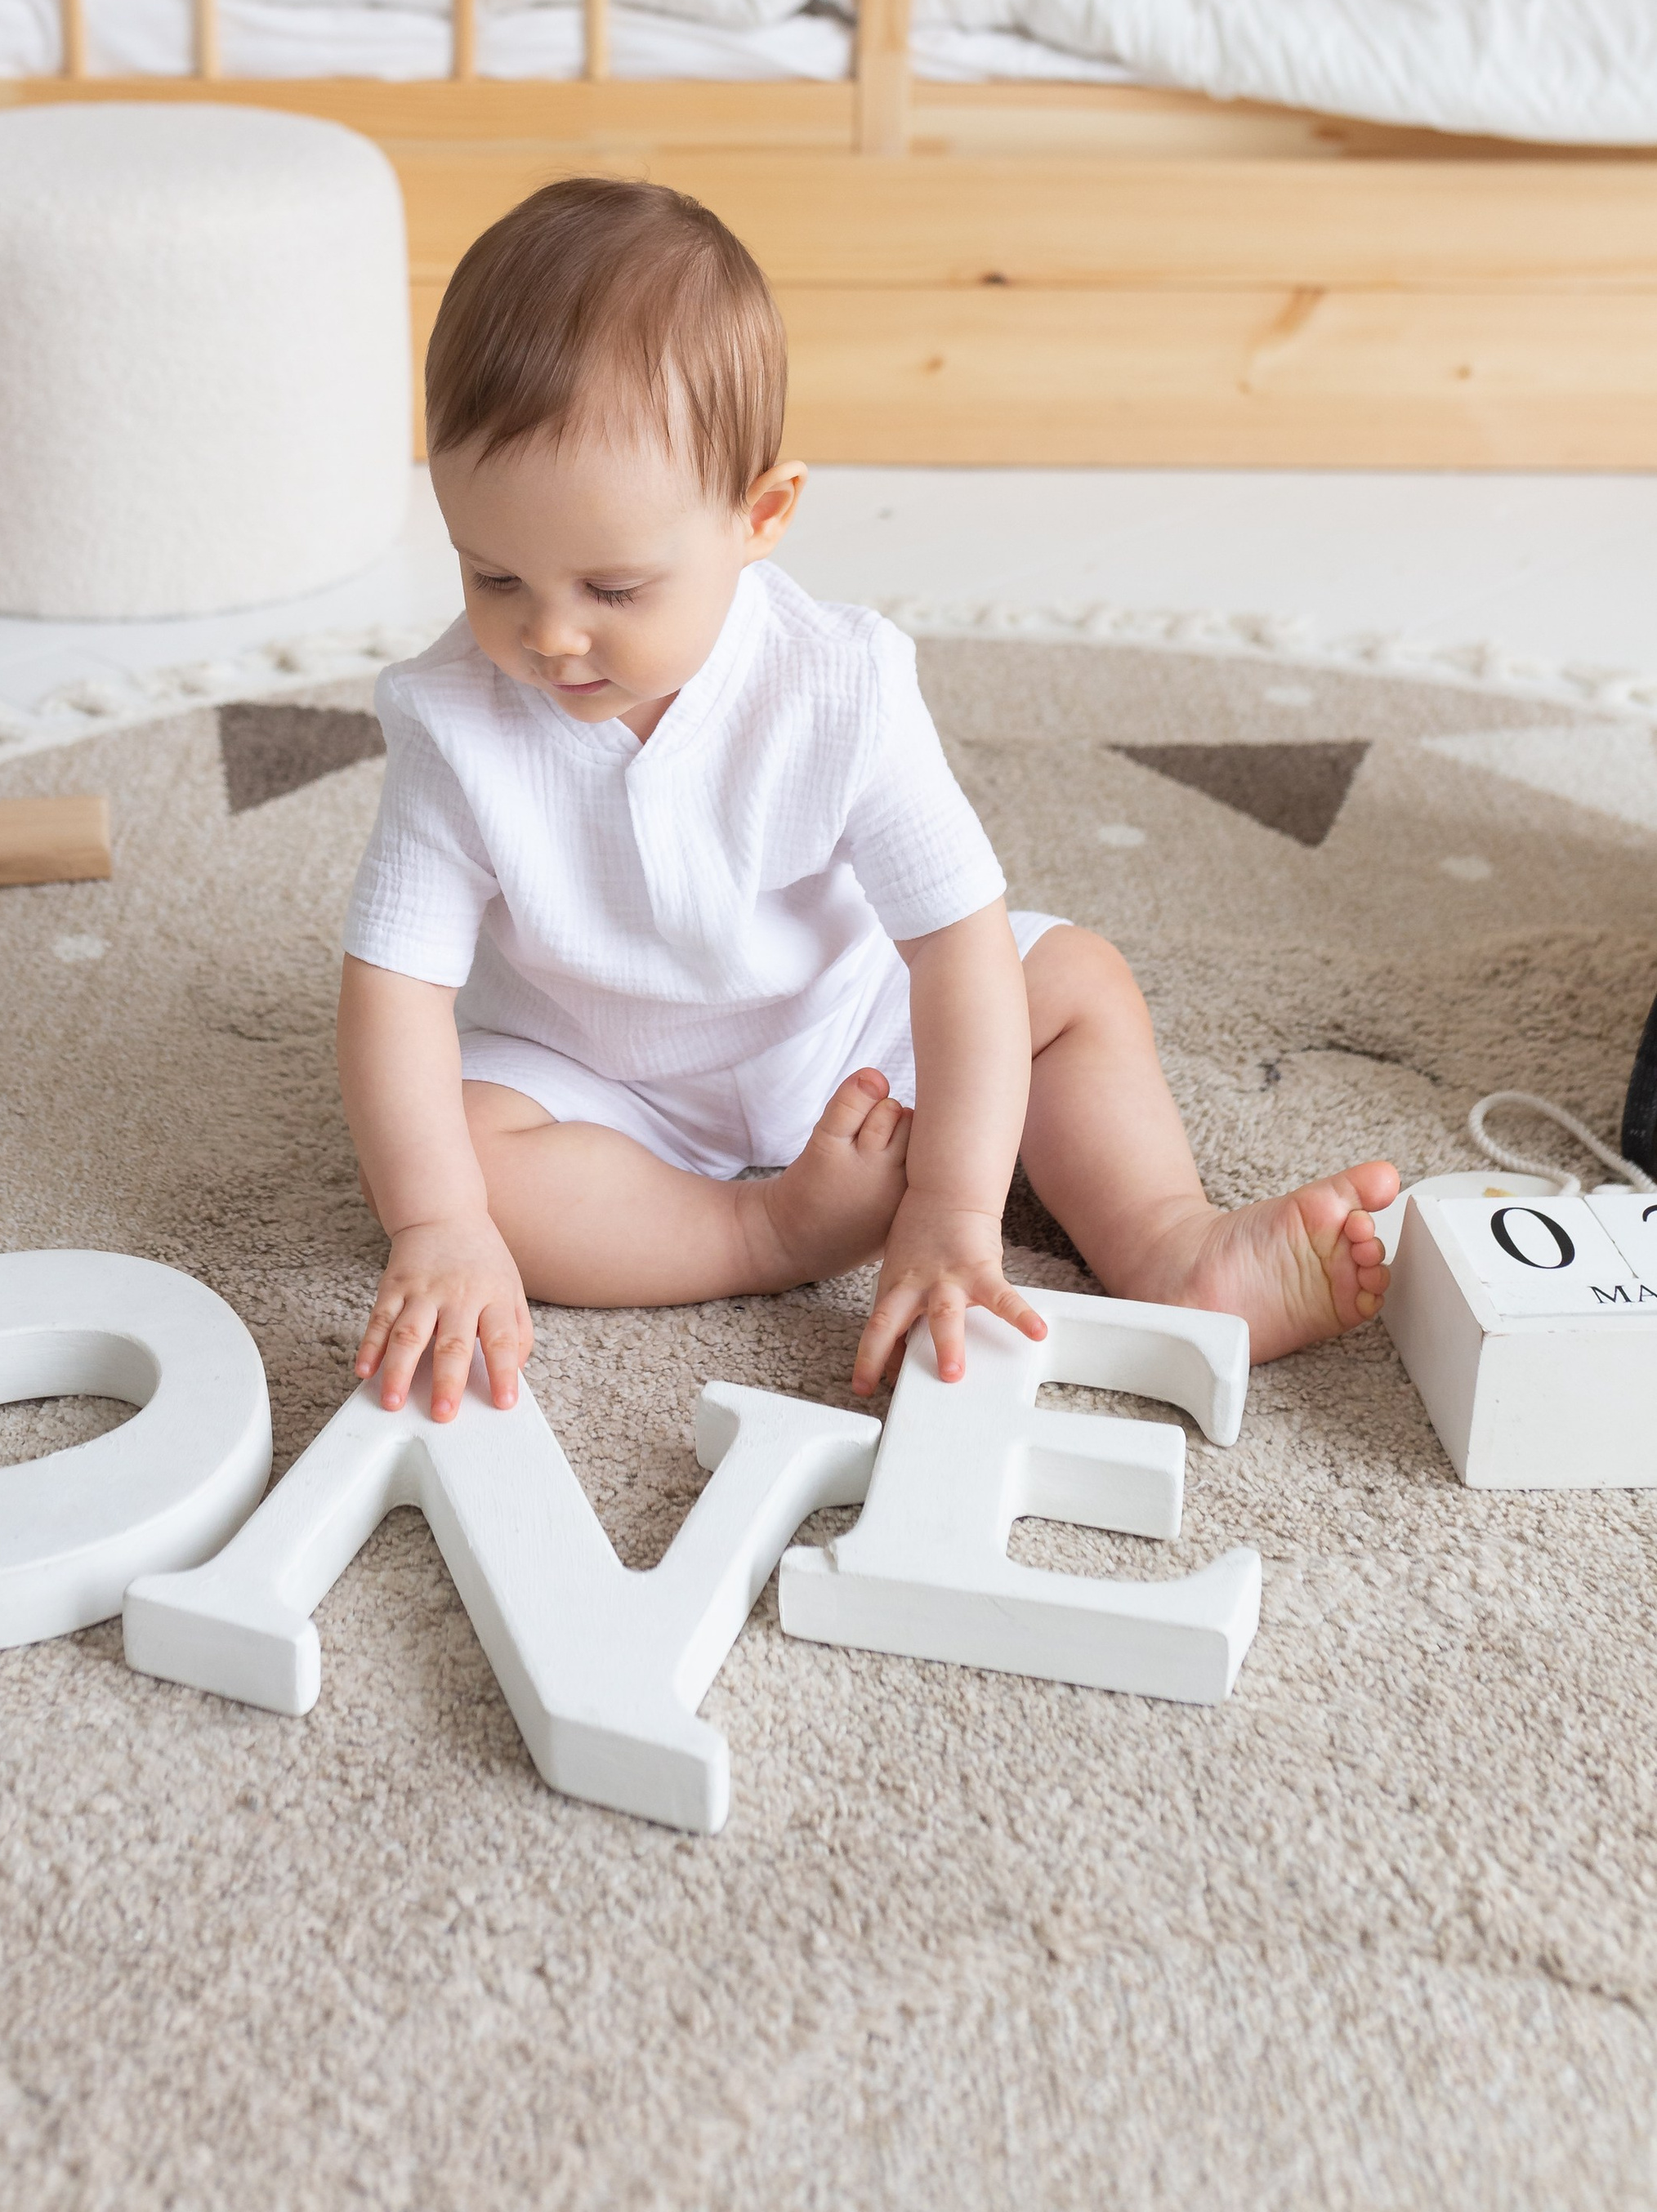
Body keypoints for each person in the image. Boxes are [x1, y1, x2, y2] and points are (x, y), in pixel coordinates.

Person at [337, 179, 1395, 1425]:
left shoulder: (841, 686)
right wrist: (442, 1222)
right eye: (493, 572)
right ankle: (757, 1233)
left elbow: (953, 943)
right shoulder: (451, 718)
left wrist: (952, 1210)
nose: (550, 633)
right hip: (598, 1073)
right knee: (452, 1146)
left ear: (760, 517)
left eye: (615, 588)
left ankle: (1170, 1246)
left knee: (1073, 987)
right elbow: (394, 989)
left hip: (850, 1041)